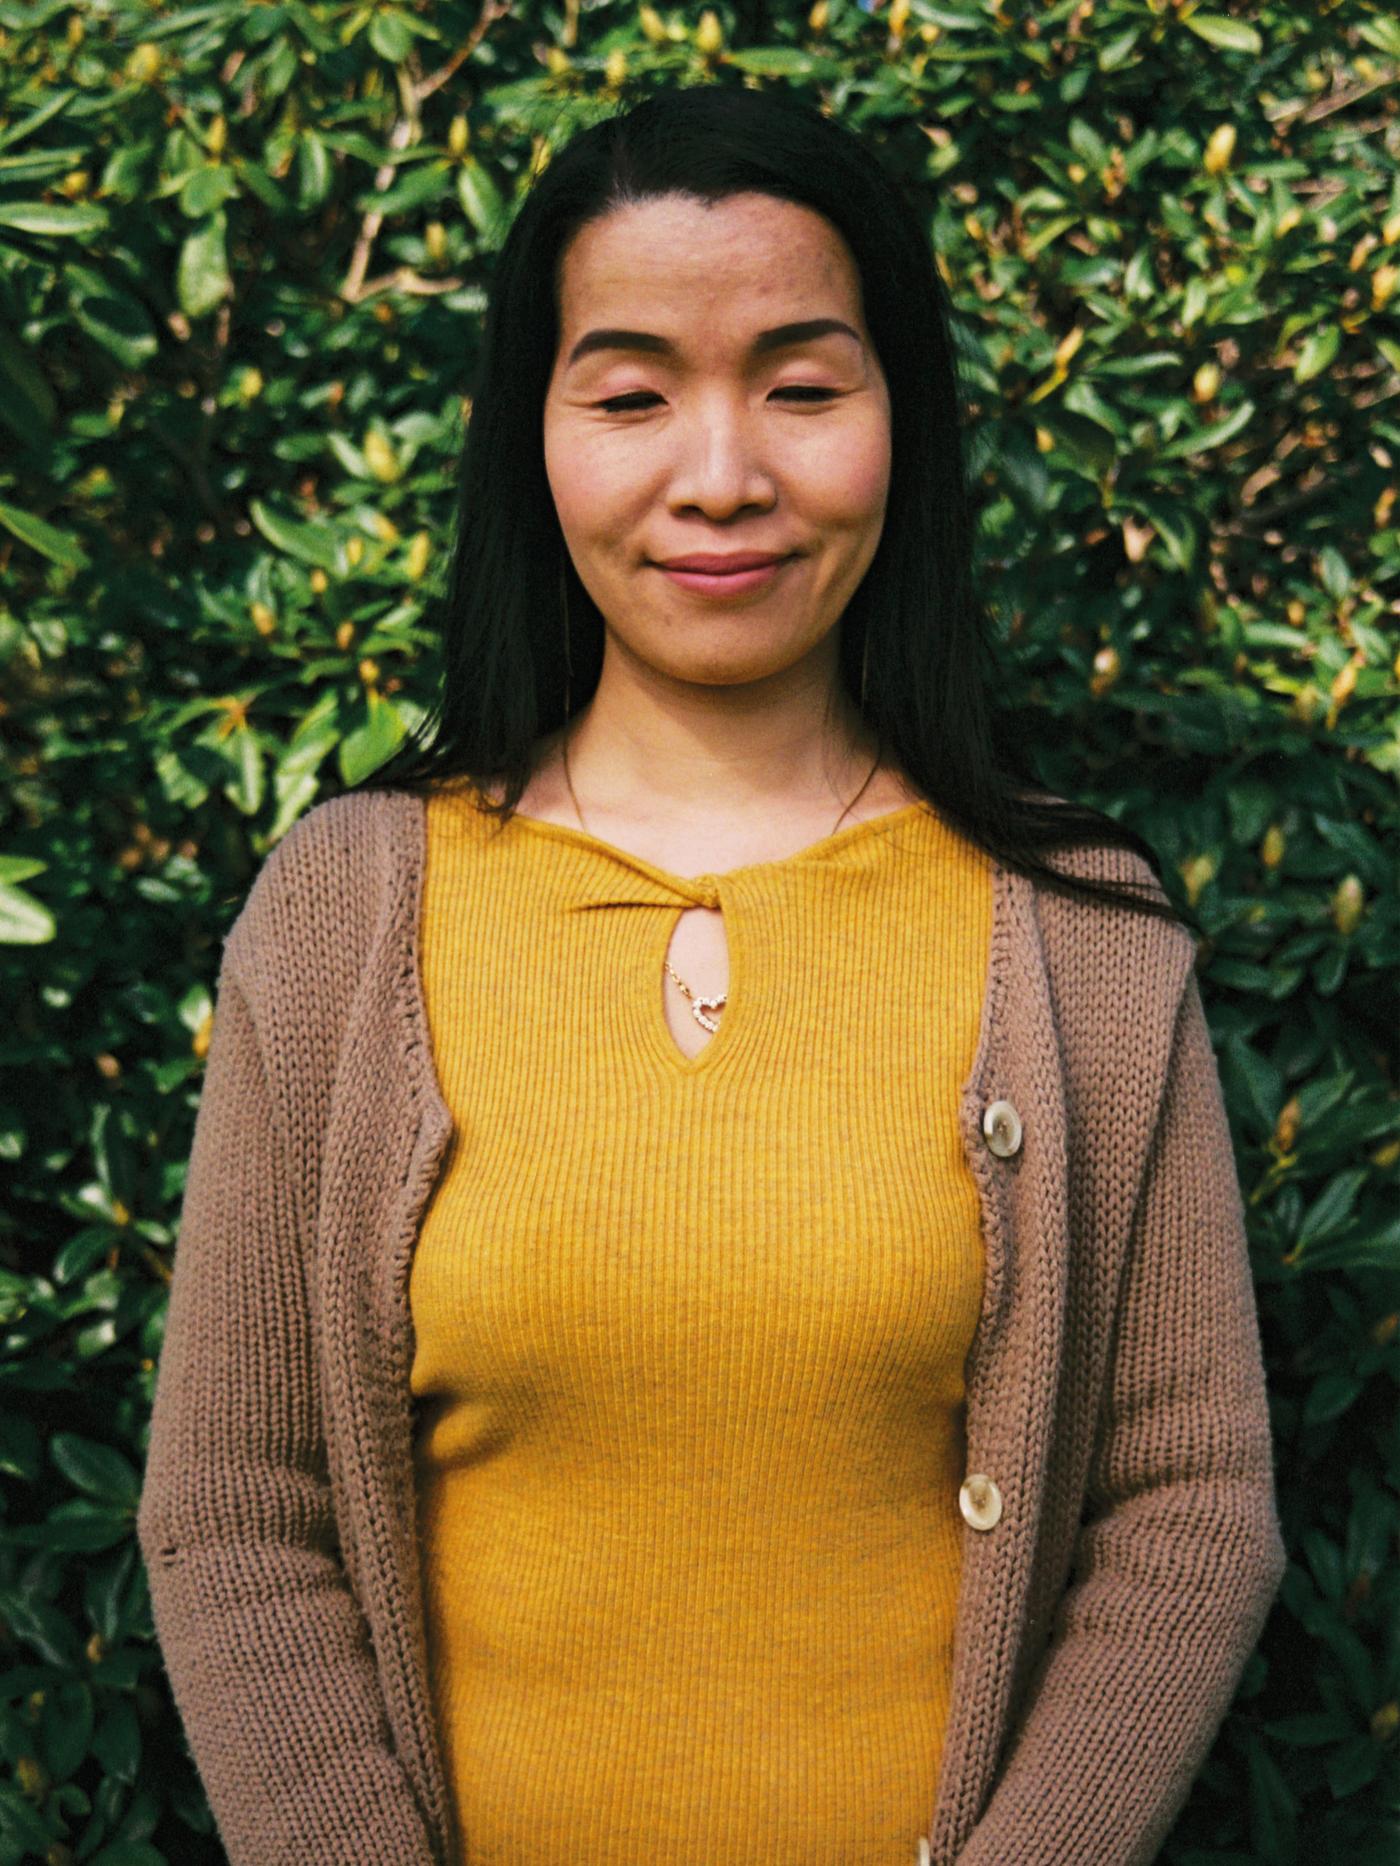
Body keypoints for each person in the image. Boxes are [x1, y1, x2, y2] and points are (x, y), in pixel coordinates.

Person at [137, 83, 1286, 1866]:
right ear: (539, 431)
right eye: (632, 393)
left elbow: (1191, 1512)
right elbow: (234, 1514)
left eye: (803, 385)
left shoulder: (1084, 936)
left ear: (901, 419)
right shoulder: (347, 911)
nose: (723, 471)